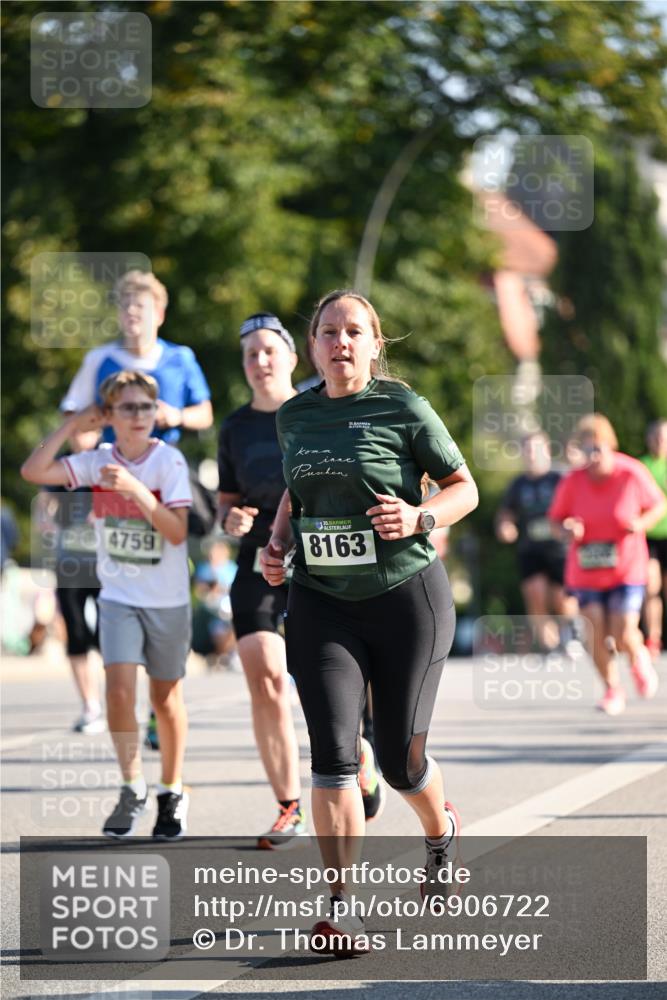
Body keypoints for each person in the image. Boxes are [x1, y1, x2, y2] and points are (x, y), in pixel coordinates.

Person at [261, 289, 478, 953]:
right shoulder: (294, 415)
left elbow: (462, 488)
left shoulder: (402, 406)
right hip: (321, 601)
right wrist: (276, 548)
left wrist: (420, 517)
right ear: (313, 345)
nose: (340, 343)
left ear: (374, 343)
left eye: (354, 331)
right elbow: (297, 494)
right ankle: (338, 907)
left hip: (404, 596)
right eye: (328, 332)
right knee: (329, 757)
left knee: (397, 763)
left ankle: (438, 829)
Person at [22, 370, 192, 839]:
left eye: (145, 407)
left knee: (165, 698)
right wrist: (73, 424)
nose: (137, 416)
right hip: (119, 597)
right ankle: (132, 784)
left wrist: (134, 491)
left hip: (167, 601)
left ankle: (172, 789)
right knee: (118, 692)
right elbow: (34, 472)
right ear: (110, 415)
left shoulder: (168, 462)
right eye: (127, 407)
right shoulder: (97, 461)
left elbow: (177, 532)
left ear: (155, 413)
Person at [218, 313, 308, 849]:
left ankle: (361, 755)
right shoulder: (234, 427)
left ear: (293, 358)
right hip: (257, 562)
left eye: (269, 350)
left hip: (319, 561)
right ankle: (288, 806)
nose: (260, 361)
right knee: (267, 678)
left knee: (331, 680)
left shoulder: (315, 414)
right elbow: (228, 501)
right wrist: (230, 520)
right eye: (250, 353)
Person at [549, 414, 666, 715]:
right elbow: (555, 519)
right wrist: (566, 529)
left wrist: (640, 523)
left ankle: (637, 655)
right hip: (586, 570)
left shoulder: (631, 472)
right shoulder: (573, 481)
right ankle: (612, 689)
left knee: (623, 628)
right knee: (594, 629)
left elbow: (658, 504)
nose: (593, 457)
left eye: (598, 449)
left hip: (626, 567)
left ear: (610, 446)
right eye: (586, 451)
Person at [61, 270, 212, 443]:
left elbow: (205, 414)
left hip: (164, 462)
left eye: (140, 305)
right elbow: (71, 410)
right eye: (125, 306)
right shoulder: (98, 358)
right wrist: (83, 441)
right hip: (111, 462)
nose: (131, 311)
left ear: (159, 315)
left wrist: (177, 416)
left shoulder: (181, 357)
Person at [42, 424, 104, 732]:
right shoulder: (61, 467)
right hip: (70, 564)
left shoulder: (109, 461)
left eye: (88, 428)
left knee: (110, 636)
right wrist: (49, 523)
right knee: (76, 633)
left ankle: (123, 699)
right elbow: (45, 506)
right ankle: (90, 706)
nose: (80, 434)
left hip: (107, 565)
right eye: (76, 429)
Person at [495, 431, 577, 651]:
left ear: (547, 450)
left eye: (536, 449)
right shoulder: (518, 485)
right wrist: (505, 526)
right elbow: (506, 513)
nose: (531, 454)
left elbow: (579, 504)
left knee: (563, 600)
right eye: (527, 449)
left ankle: (571, 634)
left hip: (561, 549)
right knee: (535, 594)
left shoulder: (561, 477)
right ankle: (548, 646)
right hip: (531, 549)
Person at [640, 419, 667, 658]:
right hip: (648, 537)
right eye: (656, 437)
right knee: (651, 587)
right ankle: (653, 639)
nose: (660, 442)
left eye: (664, 437)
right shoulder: (641, 468)